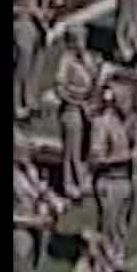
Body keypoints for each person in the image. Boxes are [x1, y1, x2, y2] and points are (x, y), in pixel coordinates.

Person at [13, 0, 59, 124]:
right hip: (21, 22)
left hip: (38, 23)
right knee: (21, 66)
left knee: (36, 62)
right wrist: (33, 11)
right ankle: (16, 104)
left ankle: (30, 100)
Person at [89, 83, 137, 250]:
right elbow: (97, 159)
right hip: (109, 181)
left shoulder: (128, 121)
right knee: (109, 226)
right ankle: (106, 262)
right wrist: (124, 157)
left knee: (122, 225)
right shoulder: (101, 124)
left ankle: (117, 256)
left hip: (127, 178)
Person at [14, 140, 66, 272]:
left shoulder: (30, 170)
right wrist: (32, 221)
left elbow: (41, 189)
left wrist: (55, 202)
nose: (27, 153)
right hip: (20, 230)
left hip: (39, 226)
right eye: (22, 150)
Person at [54, 28, 99, 202]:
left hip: (88, 108)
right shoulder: (66, 61)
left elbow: (94, 79)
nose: (82, 43)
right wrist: (76, 100)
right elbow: (60, 88)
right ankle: (70, 183)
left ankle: (82, 178)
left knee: (85, 146)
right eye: (78, 39)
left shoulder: (88, 58)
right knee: (71, 149)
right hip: (72, 109)